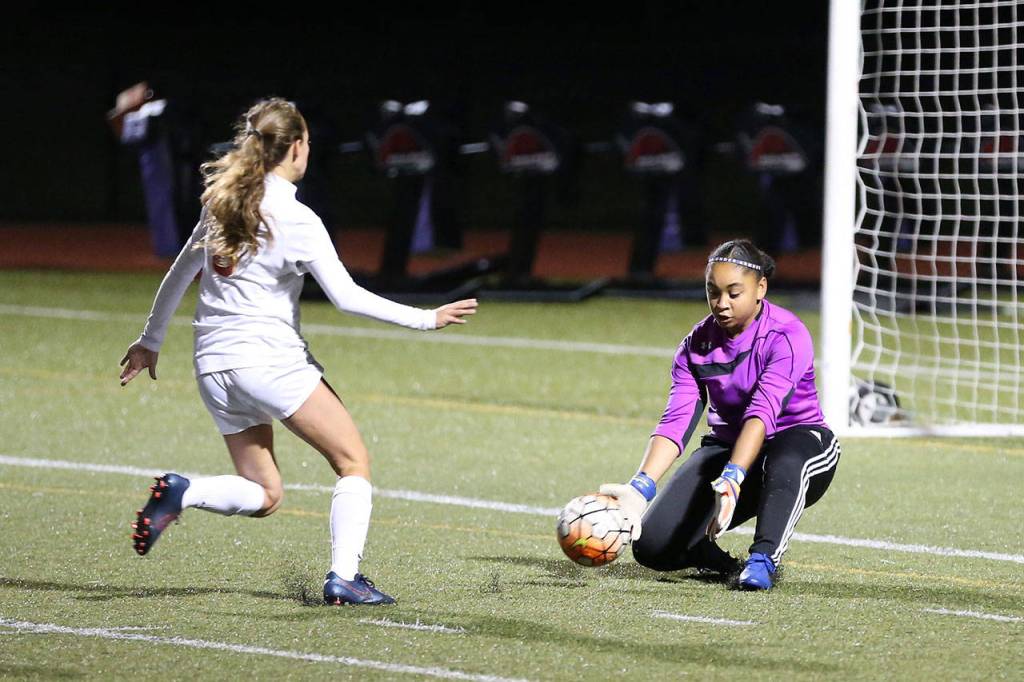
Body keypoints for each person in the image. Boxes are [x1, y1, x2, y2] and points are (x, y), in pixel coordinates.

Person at [119, 97, 477, 606]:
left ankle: (184, 491)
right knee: (353, 462)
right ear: (297, 148)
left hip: (213, 366)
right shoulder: (296, 216)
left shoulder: (219, 201)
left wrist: (150, 341)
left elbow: (179, 275)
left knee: (264, 494)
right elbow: (346, 297)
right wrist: (426, 318)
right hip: (270, 363)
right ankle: (344, 578)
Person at [599, 239, 840, 590]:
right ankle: (711, 556)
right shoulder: (695, 346)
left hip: (798, 443)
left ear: (761, 289)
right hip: (728, 447)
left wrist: (733, 475)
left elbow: (763, 413)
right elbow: (675, 423)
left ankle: (763, 560)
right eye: (713, 292)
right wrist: (641, 486)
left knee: (786, 461)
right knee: (653, 548)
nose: (721, 304)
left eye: (733, 293)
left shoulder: (786, 334)